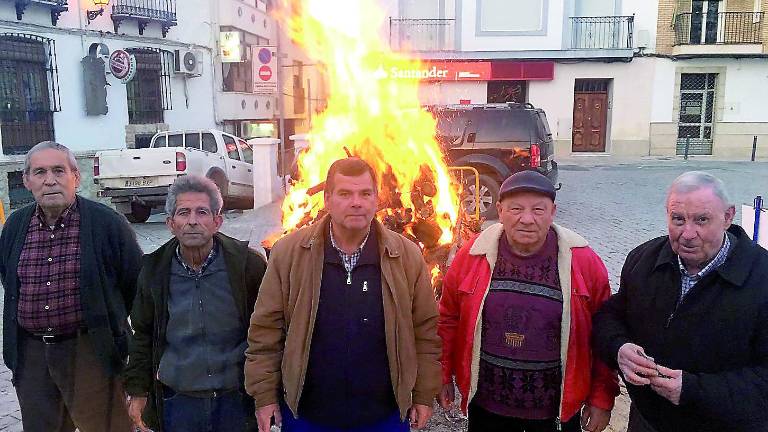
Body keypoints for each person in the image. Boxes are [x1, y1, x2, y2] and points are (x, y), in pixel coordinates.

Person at [245, 157, 442, 432]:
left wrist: (422, 395)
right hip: (308, 415)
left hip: (383, 416)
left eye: (365, 193)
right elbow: (266, 331)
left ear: (377, 199)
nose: (356, 202)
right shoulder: (289, 253)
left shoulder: (406, 255)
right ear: (327, 199)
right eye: (345, 194)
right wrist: (264, 396)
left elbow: (425, 332)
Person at [438, 170, 619, 432]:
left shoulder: (583, 261)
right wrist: (442, 374)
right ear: (499, 211)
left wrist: (602, 397)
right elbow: (448, 318)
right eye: (515, 209)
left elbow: (604, 333)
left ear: (553, 212)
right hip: (487, 408)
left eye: (538, 209)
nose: (526, 219)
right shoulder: (473, 254)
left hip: (554, 413)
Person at [593, 171, 768, 432]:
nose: (687, 233)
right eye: (678, 219)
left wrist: (692, 391)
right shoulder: (643, 260)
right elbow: (611, 316)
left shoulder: (762, 277)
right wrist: (619, 348)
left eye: (701, 220)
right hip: (647, 421)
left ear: (728, 217)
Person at [0, 141, 142, 431]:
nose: (49, 180)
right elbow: (10, 280)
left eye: (58, 170)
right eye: (39, 172)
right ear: (27, 181)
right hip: (32, 355)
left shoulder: (108, 225)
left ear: (76, 177)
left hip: (90, 350)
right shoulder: (15, 226)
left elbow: (135, 287)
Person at [123, 175, 267, 432]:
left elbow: (267, 334)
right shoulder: (154, 270)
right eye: (183, 213)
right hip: (179, 402)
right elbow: (142, 334)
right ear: (170, 223)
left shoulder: (247, 266)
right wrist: (137, 390)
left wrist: (266, 394)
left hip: (236, 400)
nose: (192, 221)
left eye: (202, 212)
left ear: (217, 221)